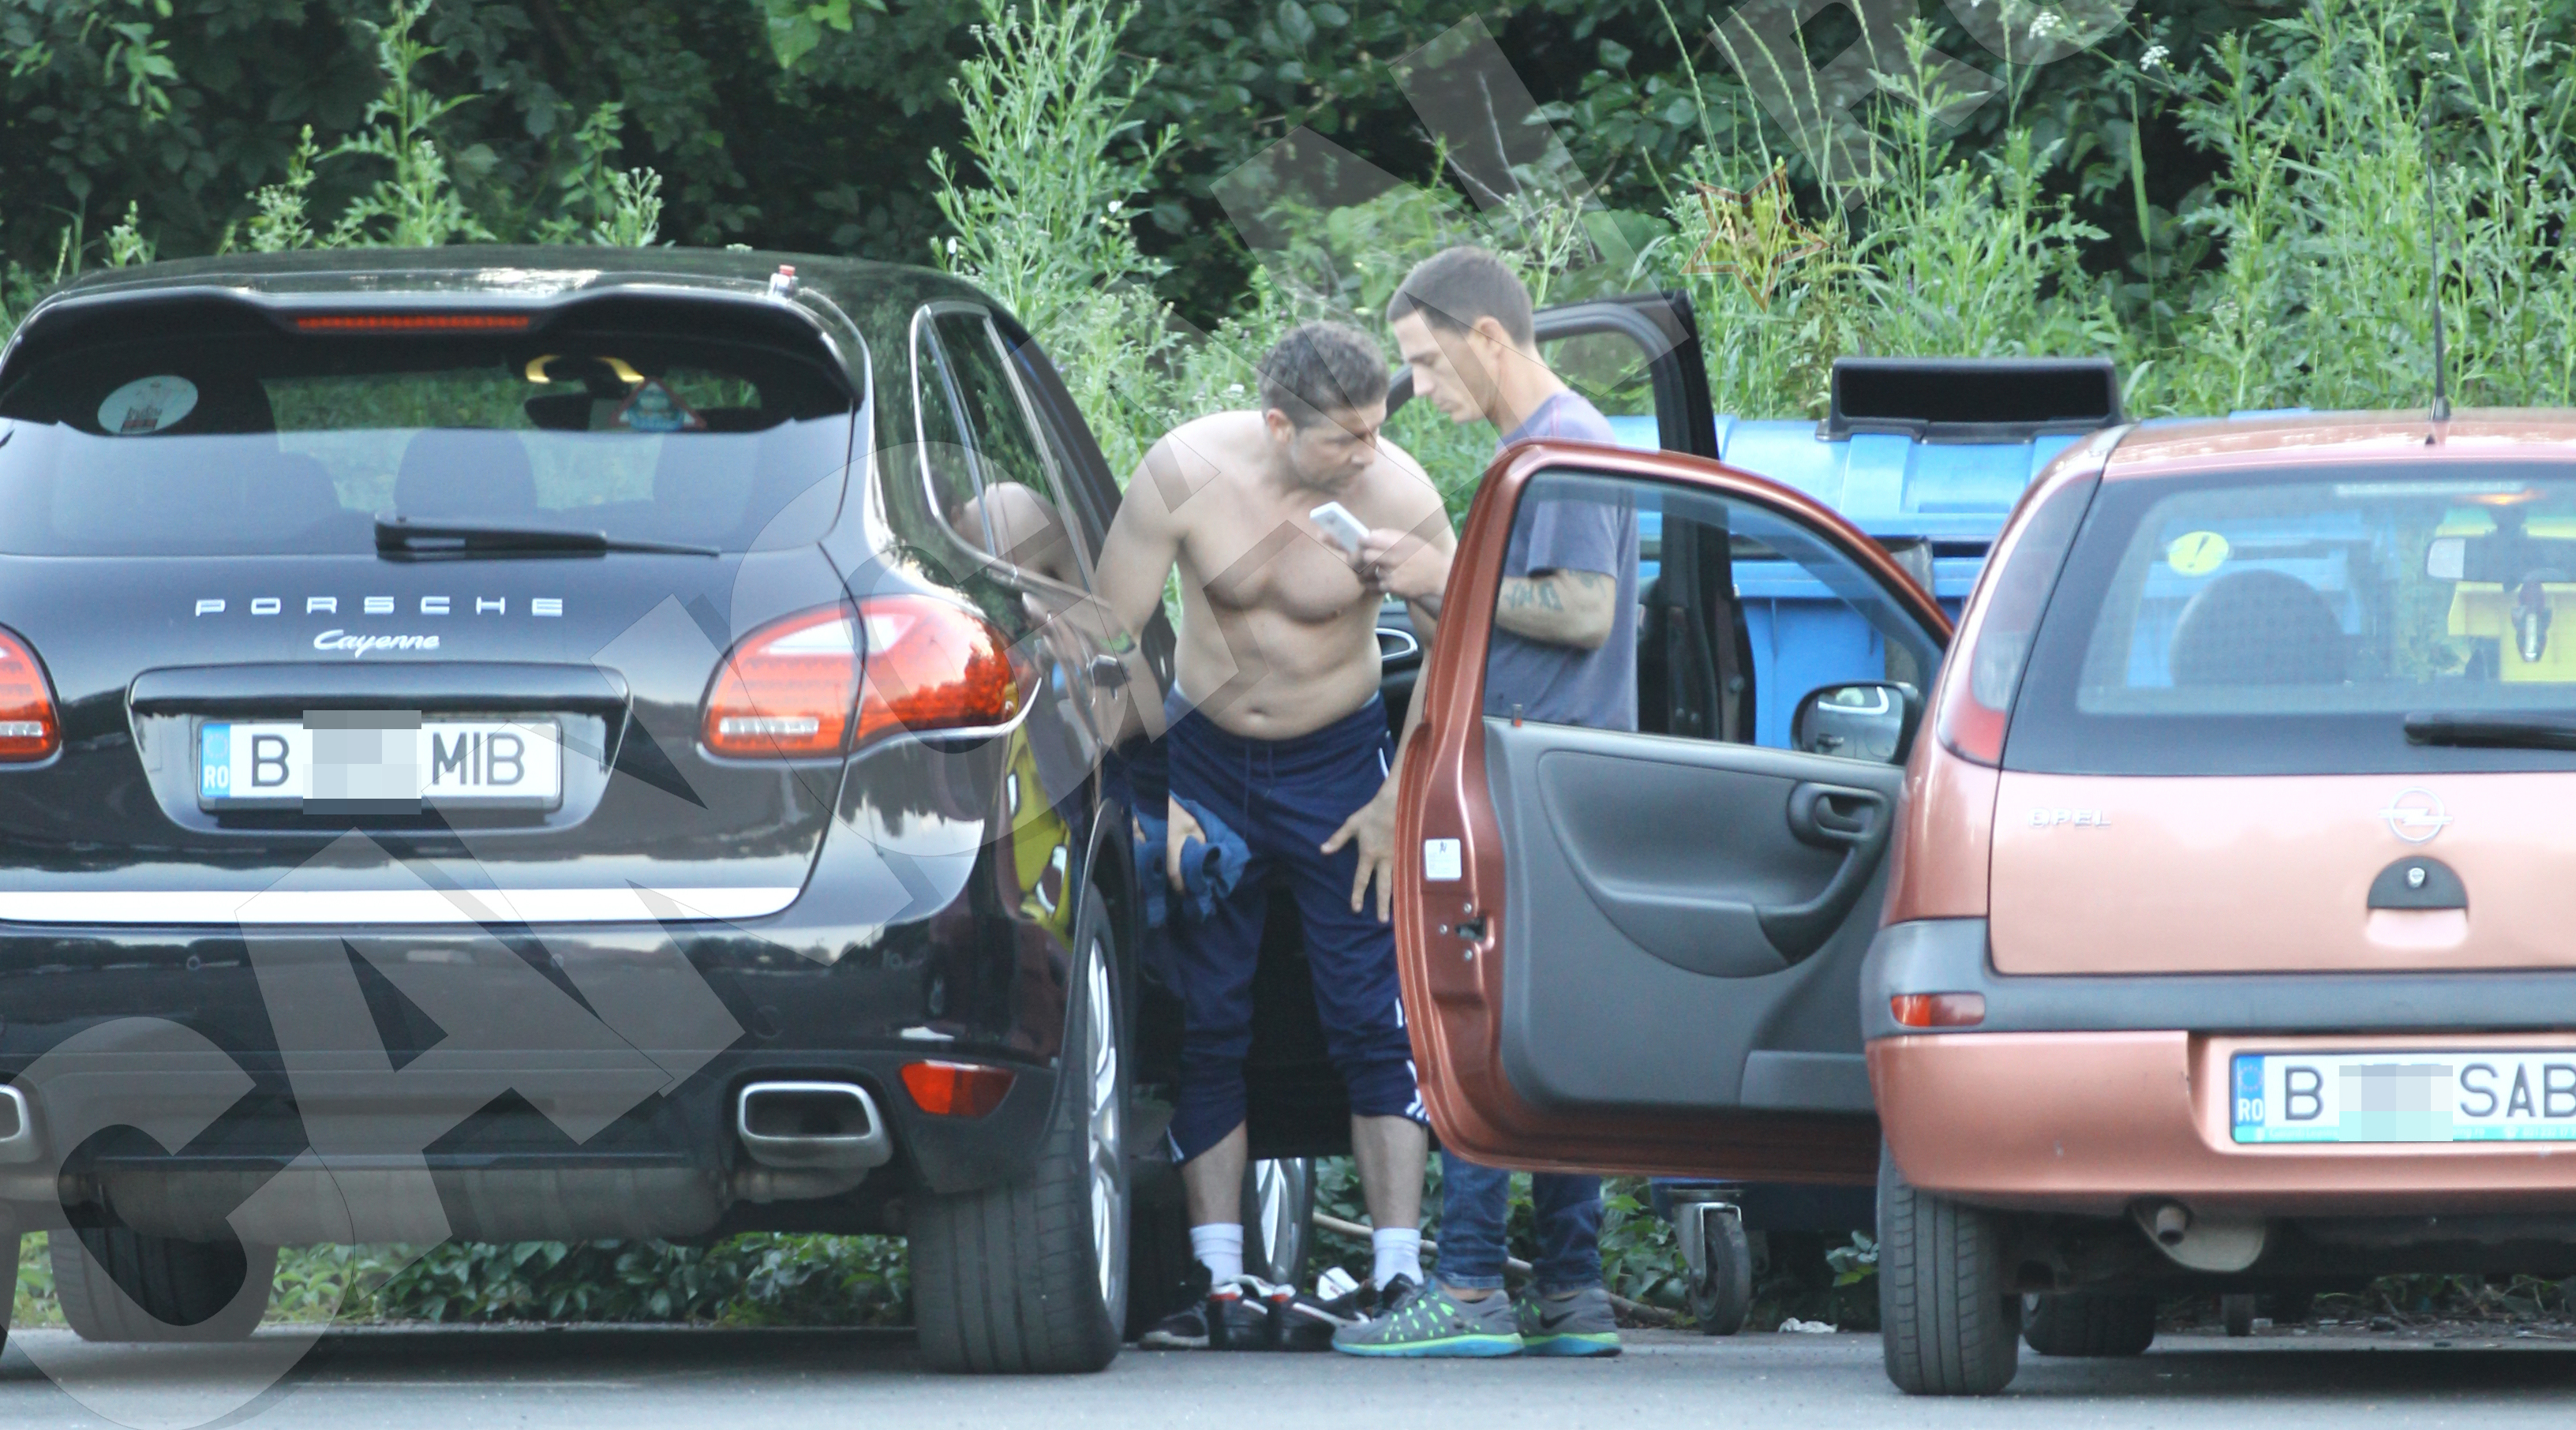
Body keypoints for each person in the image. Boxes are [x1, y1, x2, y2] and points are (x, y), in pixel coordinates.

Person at [1094, 320, 1457, 1350]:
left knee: (1372, 1015)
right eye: (1347, 437)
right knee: (1208, 1019)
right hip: (1206, 761)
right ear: (1278, 426)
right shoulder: (1185, 470)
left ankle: (1396, 1272)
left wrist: (1398, 797)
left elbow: (1457, 648)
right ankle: (1219, 1284)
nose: (1369, 452)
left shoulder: (1400, 495)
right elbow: (1111, 639)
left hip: (1340, 765)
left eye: (1378, 428)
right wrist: (1155, 796)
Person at [1330, 245, 1638, 1358]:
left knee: (1479, 1025)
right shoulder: (1536, 450)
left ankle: (1465, 1285)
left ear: (1490, 338)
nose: (1417, 387)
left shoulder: (1563, 449)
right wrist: (1431, 582)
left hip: (1531, 790)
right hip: (1545, 782)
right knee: (1548, 1032)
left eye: (1425, 361)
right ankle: (1572, 1292)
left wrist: (1444, 575)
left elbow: (1584, 611)